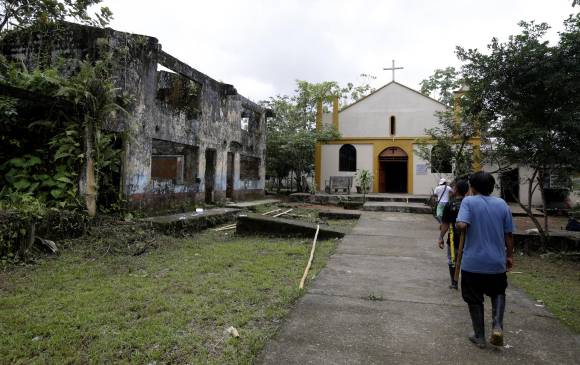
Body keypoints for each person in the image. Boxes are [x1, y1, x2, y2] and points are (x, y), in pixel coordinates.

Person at [456, 171, 514, 348]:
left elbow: (462, 224)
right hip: (496, 262)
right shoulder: (502, 204)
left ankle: (479, 336)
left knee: (474, 299)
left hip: (473, 263)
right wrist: (509, 255)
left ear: (472, 187)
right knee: (498, 292)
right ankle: (497, 325)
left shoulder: (468, 201)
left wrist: (460, 223)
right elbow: (509, 235)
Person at [437, 179, 469, 290]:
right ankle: (466, 283)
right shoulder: (470, 204)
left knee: (452, 260)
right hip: (469, 239)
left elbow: (445, 224)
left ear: (456, 189)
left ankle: (454, 282)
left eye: (454, 187)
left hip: (453, 238)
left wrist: (440, 237)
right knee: (466, 261)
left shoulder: (450, 205)